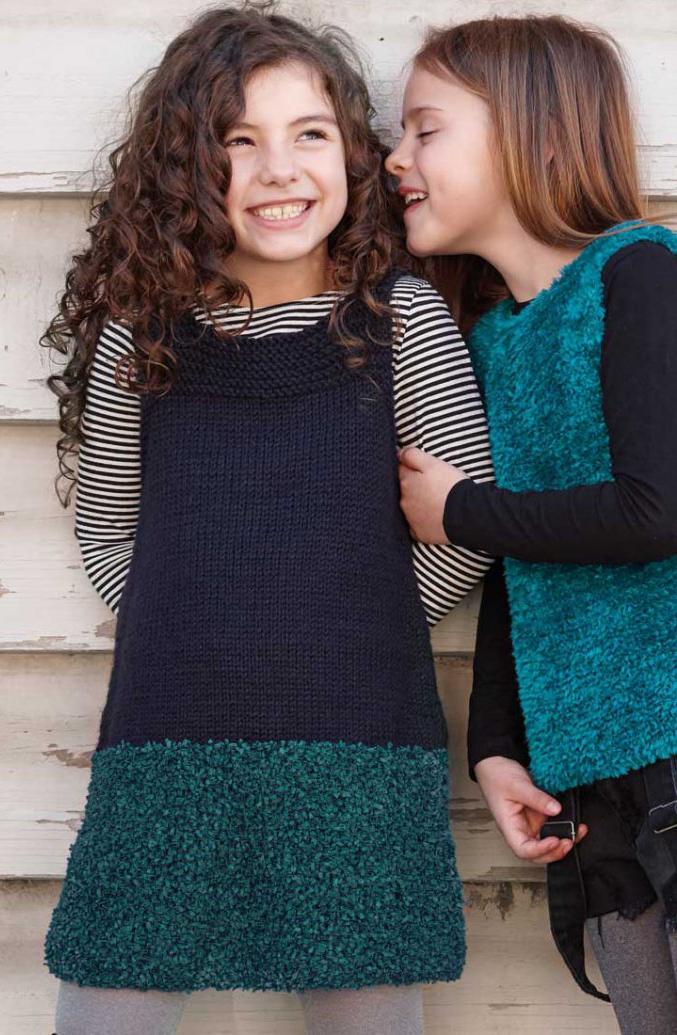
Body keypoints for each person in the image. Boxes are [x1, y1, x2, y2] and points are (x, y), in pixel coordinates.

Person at [39, 6, 498, 1034]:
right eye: (236, 142)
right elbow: (110, 530)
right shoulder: (140, 336)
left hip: (361, 743)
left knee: (368, 1005)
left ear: (352, 153)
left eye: (308, 134)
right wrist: (193, 625)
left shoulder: (401, 318)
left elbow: (462, 518)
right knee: (107, 996)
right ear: (183, 169)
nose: (277, 169)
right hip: (165, 743)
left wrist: (358, 618)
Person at [387, 14, 677, 1033]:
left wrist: (459, 507)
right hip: (593, 781)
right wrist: (496, 746)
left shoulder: (641, 275)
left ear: (539, 140)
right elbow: (523, 566)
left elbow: (655, 509)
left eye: (425, 130)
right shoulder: (494, 339)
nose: (395, 158)